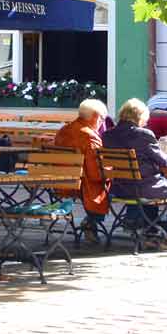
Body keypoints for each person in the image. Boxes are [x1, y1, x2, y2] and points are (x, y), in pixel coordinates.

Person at [101, 98, 167, 252]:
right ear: (140, 117)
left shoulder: (108, 135)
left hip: (120, 188)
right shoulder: (144, 134)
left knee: (151, 187)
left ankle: (150, 235)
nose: (147, 122)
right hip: (143, 188)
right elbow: (166, 161)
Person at [52, 99, 109, 235]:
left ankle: (91, 223)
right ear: (95, 117)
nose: (102, 123)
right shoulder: (89, 136)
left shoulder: (63, 131)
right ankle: (91, 222)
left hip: (60, 182)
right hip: (83, 186)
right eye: (102, 119)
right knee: (114, 185)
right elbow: (96, 174)